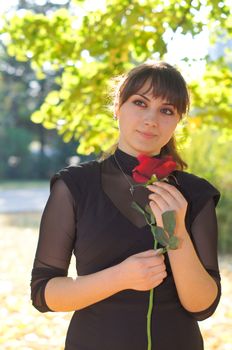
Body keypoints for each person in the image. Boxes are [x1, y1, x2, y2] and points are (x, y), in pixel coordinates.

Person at [31, 61, 221, 350]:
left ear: (177, 120)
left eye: (166, 110)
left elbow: (202, 307)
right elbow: (44, 293)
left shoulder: (195, 194)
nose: (151, 119)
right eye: (140, 103)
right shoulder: (74, 186)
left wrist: (177, 232)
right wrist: (120, 277)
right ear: (117, 108)